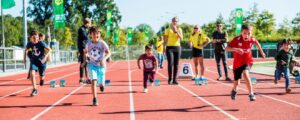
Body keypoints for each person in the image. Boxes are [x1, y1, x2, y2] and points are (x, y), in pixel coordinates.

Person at [225, 24, 265, 101]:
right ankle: (234, 90)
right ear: (241, 33)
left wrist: (262, 52)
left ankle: (251, 94)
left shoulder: (252, 39)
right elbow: (227, 48)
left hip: (247, 61)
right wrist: (236, 49)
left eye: (248, 33)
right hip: (237, 63)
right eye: (244, 33)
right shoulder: (237, 39)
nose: (246, 35)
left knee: (246, 74)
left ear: (251, 33)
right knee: (237, 83)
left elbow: (257, 44)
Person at [82, 26, 111, 106]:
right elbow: (85, 52)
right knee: (93, 81)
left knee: (100, 83)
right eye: (94, 34)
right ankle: (95, 98)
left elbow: (109, 52)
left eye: (98, 34)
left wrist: (104, 59)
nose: (96, 36)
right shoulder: (88, 44)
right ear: (90, 35)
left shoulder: (102, 43)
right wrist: (84, 61)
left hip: (101, 66)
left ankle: (102, 85)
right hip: (92, 65)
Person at [24, 31, 52, 96]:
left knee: (41, 76)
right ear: (30, 38)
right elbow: (26, 50)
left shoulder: (41, 43)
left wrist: (45, 57)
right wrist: (24, 59)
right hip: (34, 61)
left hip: (42, 61)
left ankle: (42, 79)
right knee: (32, 74)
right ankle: (34, 89)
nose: (36, 39)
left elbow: (50, 50)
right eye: (34, 38)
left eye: (36, 37)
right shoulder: (29, 44)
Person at [164, 17, 183, 85]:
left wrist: (176, 31)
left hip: (177, 47)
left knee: (176, 64)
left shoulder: (179, 29)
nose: (175, 22)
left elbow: (181, 39)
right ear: (172, 22)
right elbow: (165, 39)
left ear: (178, 22)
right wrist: (164, 47)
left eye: (176, 21)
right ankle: (170, 79)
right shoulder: (167, 29)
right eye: (174, 21)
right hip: (169, 48)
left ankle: (174, 79)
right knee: (170, 64)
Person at [78, 18, 92, 84]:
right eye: (90, 23)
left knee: (85, 62)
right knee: (84, 62)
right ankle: (82, 79)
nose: (90, 25)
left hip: (85, 47)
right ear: (87, 23)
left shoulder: (84, 29)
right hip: (83, 47)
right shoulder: (81, 29)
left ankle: (86, 78)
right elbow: (85, 37)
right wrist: (89, 30)